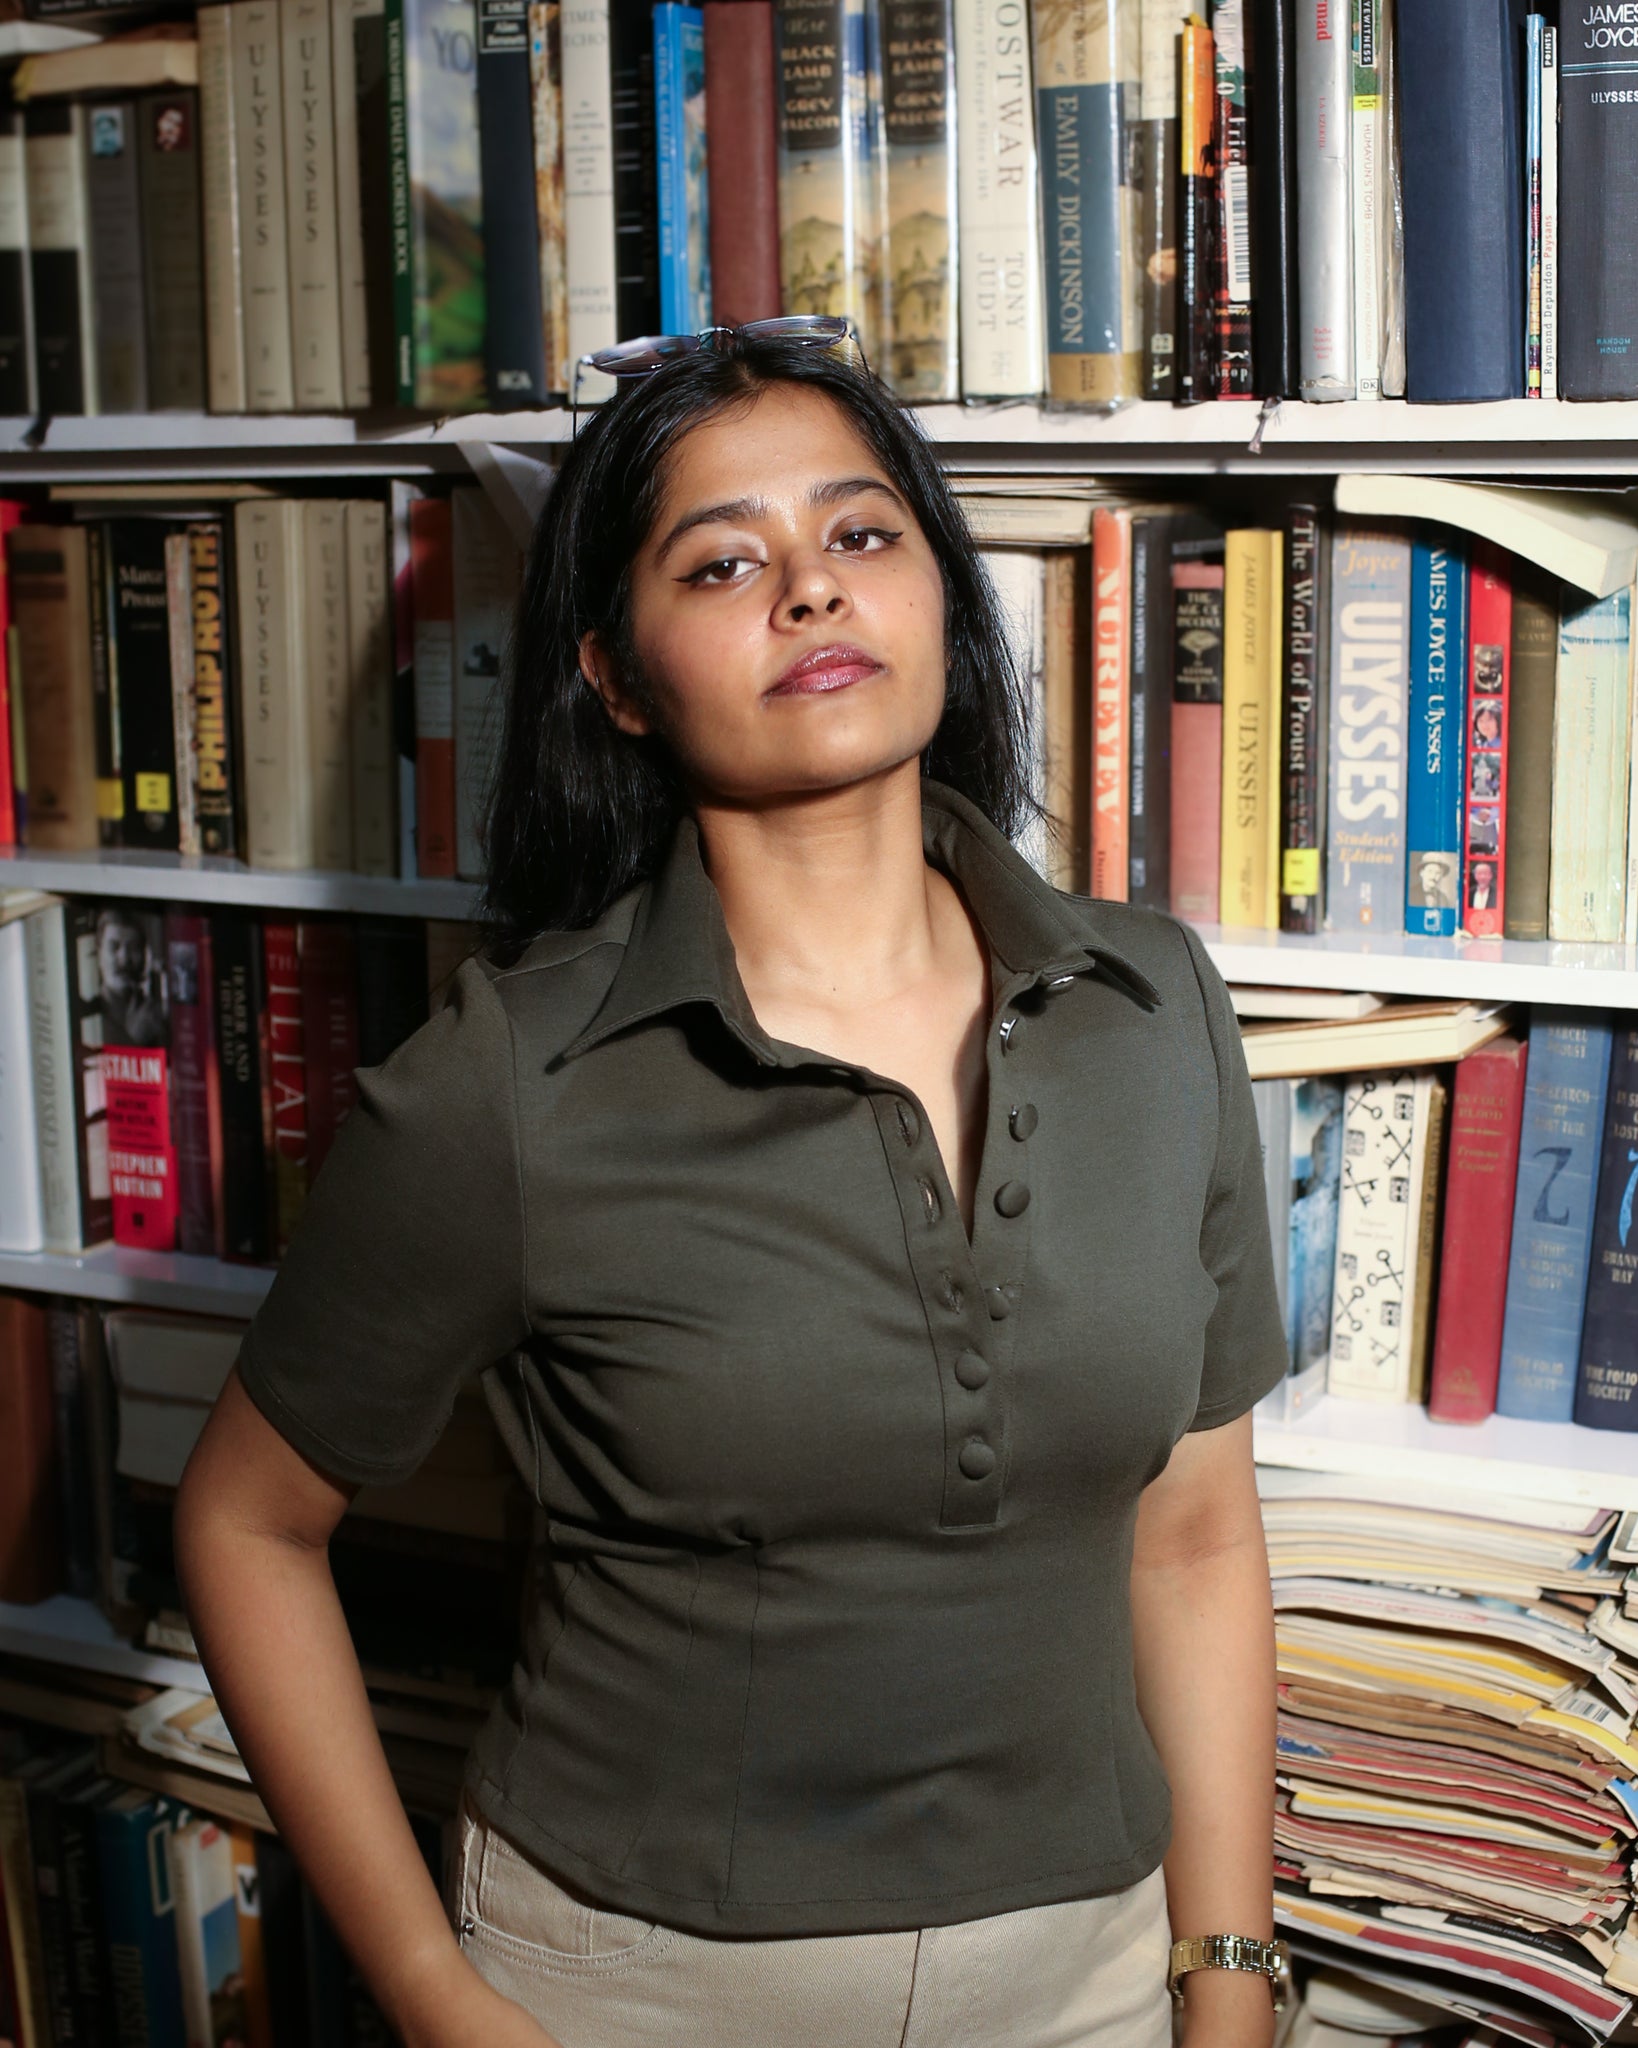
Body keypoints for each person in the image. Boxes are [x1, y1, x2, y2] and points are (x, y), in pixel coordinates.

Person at [173, 327, 1290, 2048]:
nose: (810, 594)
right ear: (616, 676)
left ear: (938, 596)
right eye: (722, 560)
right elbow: (247, 1524)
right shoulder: (507, 1089)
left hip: (1088, 1978)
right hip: (635, 1991)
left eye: (861, 535)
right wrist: (429, 1996)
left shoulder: (1158, 1012)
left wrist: (1225, 1980)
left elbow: (1197, 1540)